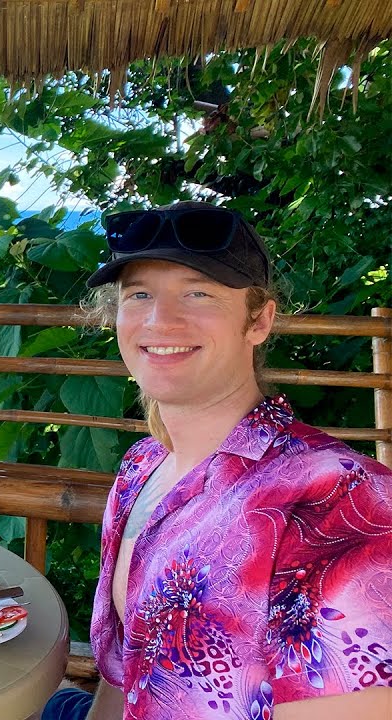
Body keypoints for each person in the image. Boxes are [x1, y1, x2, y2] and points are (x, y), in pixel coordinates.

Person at [41, 201, 392, 720]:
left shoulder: (338, 500)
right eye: (139, 294)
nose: (160, 319)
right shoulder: (142, 468)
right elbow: (129, 676)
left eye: (198, 293)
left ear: (260, 321)